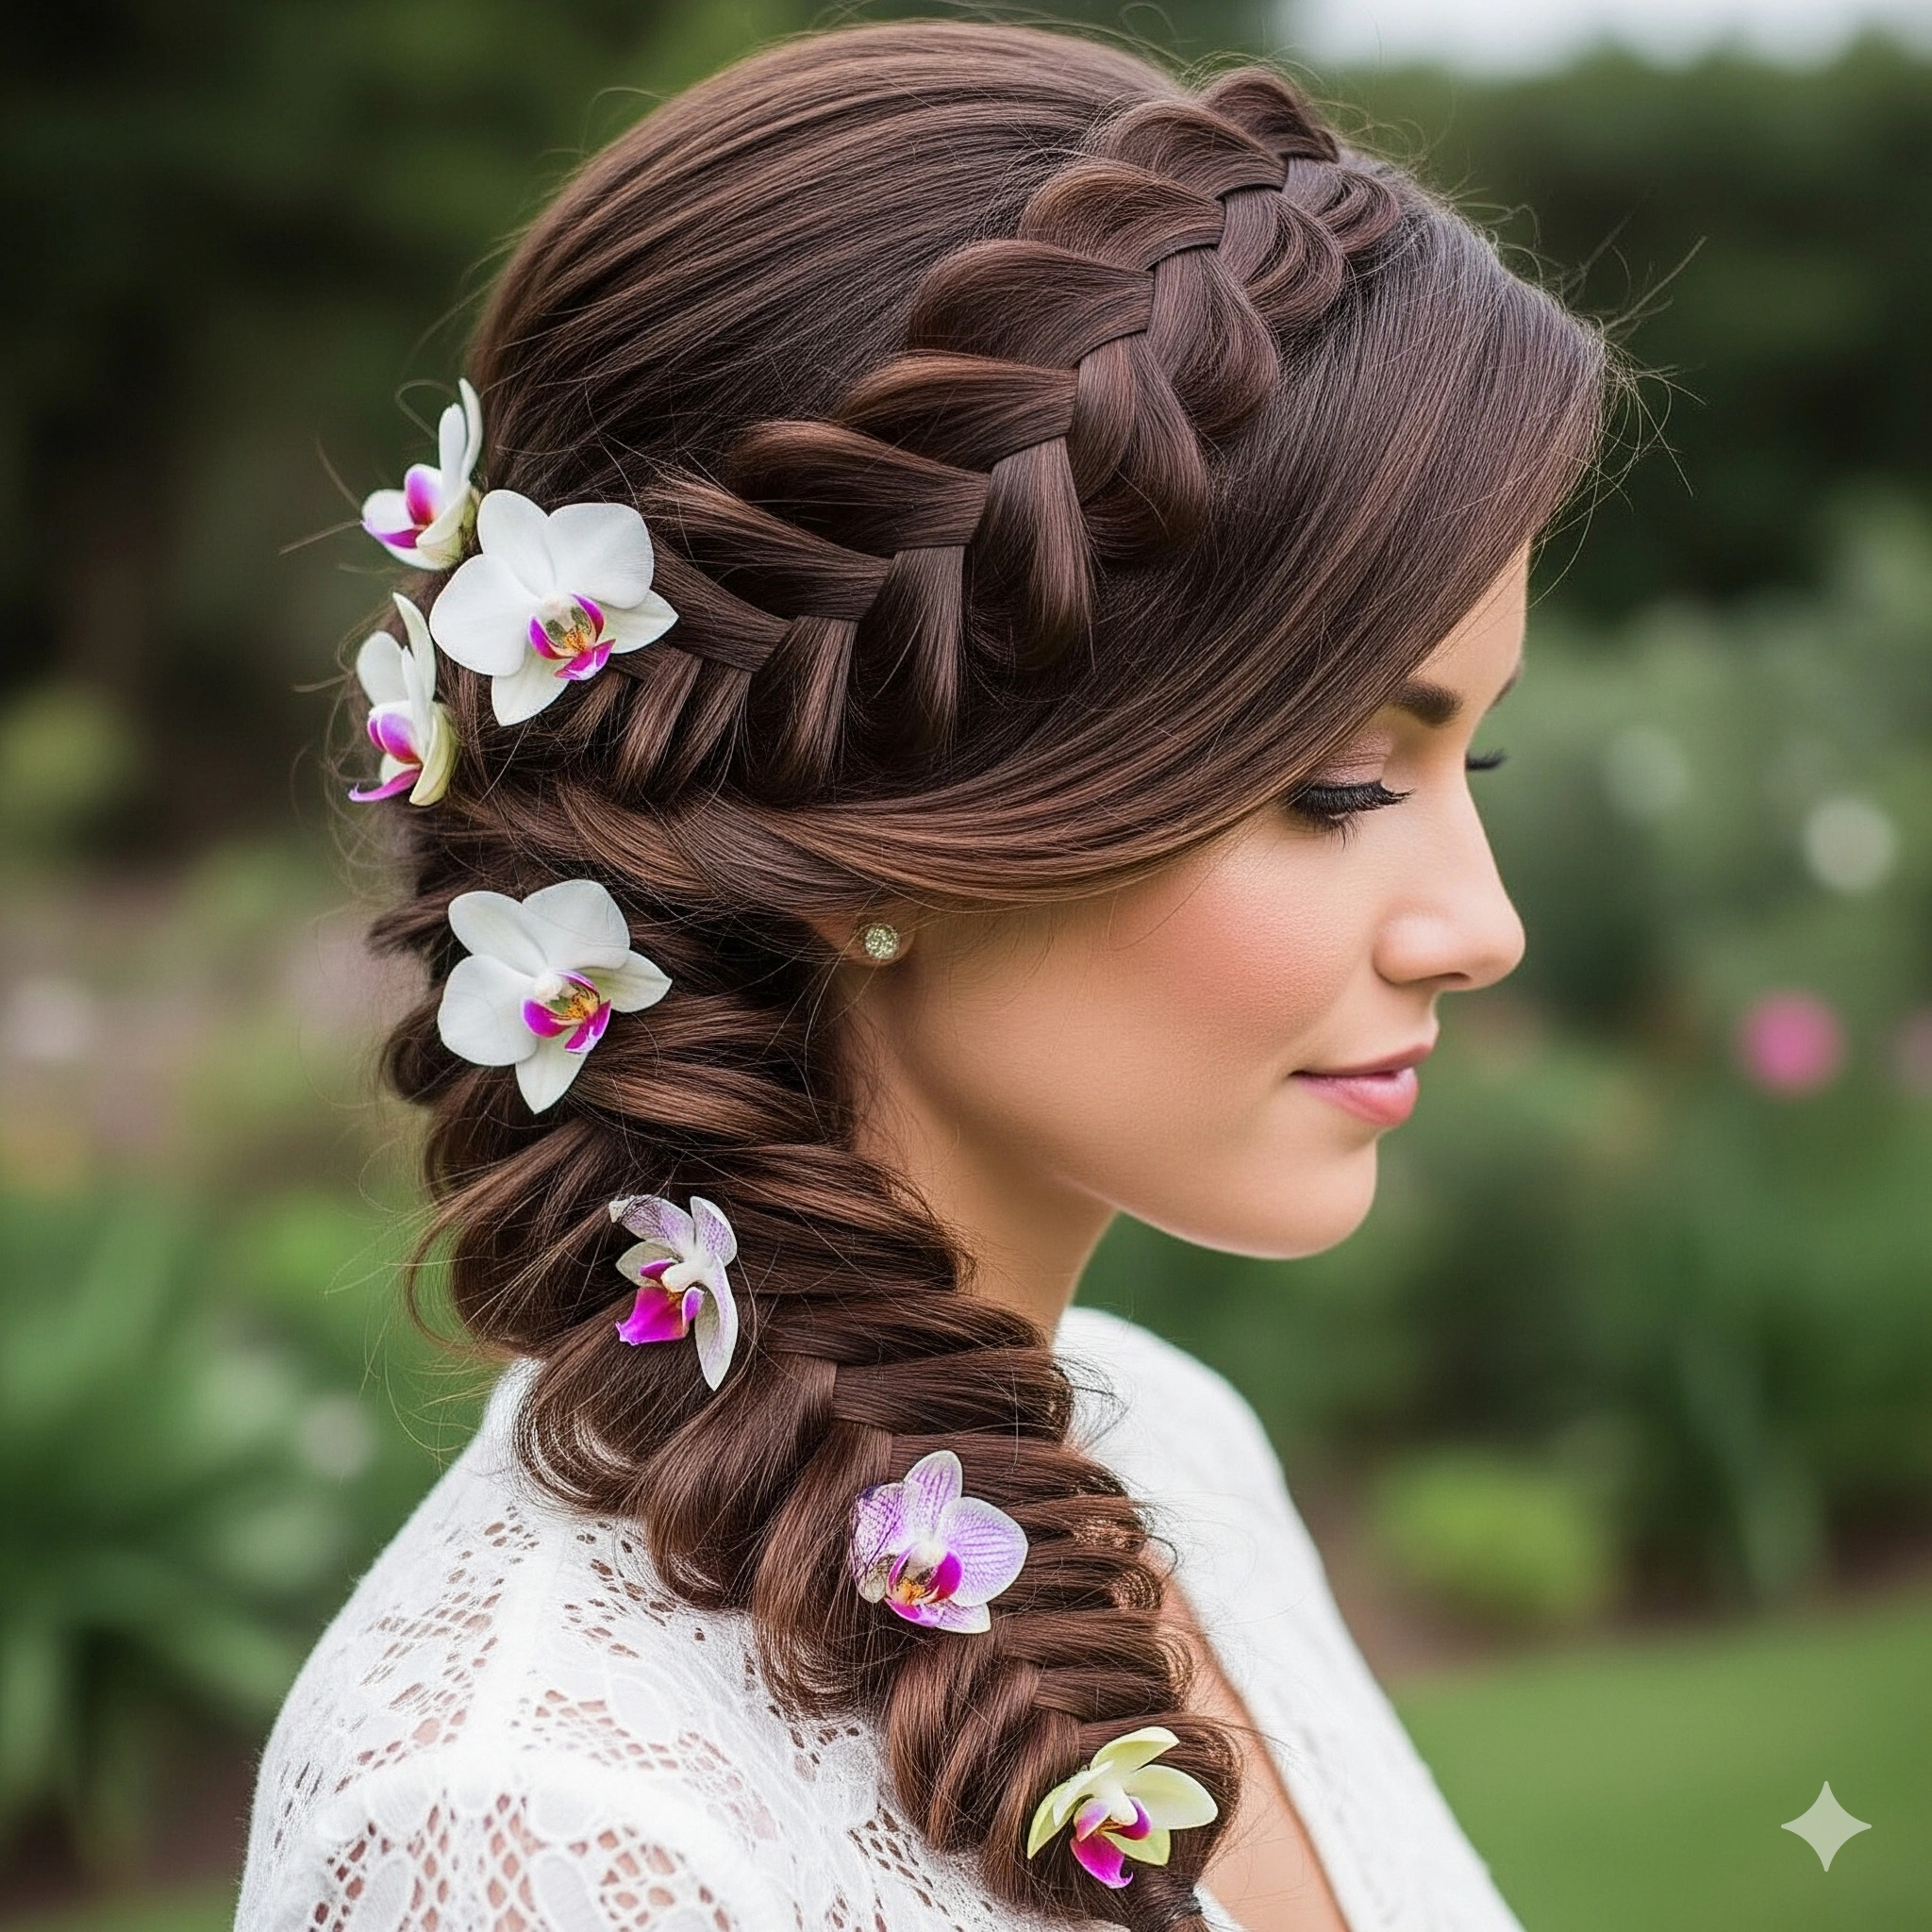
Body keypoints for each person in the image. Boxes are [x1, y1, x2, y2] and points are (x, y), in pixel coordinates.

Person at [237, 22, 1607, 1932]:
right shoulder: (541, 1828)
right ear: (865, 805)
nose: (1480, 922)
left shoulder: (1155, 1448)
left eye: (1481, 757)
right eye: (1338, 784)